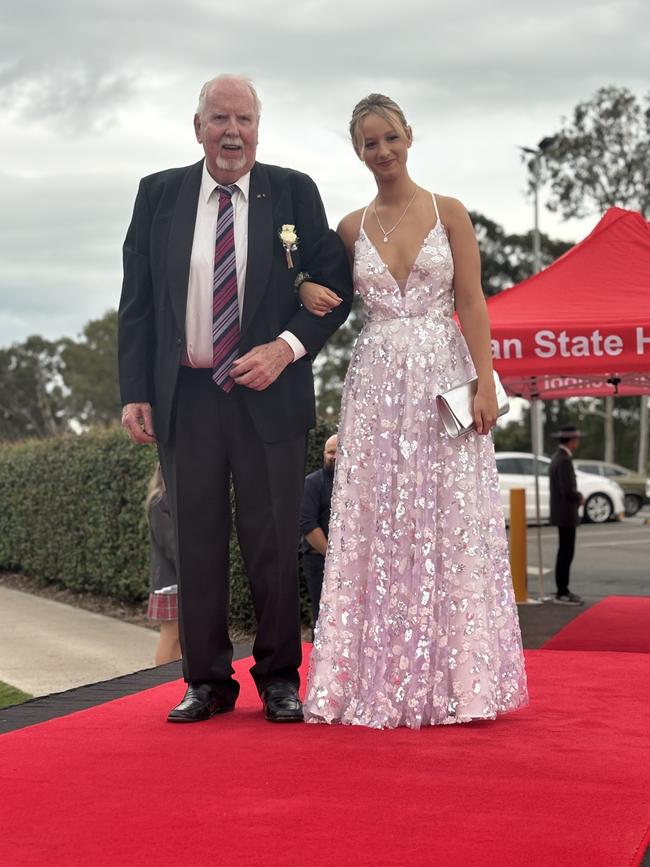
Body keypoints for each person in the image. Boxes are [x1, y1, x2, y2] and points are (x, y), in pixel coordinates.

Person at [118, 74, 352, 724]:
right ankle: (207, 682)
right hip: (186, 397)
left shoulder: (294, 191)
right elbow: (137, 301)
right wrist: (134, 389)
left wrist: (285, 346)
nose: (232, 132)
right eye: (219, 118)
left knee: (275, 539)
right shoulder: (158, 194)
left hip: (269, 395)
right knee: (194, 540)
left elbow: (337, 284)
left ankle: (279, 678)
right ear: (198, 128)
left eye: (244, 119)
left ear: (258, 128)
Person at [300, 94, 528, 729]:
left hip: (444, 375)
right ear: (358, 151)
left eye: (390, 137)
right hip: (375, 384)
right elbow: (316, 286)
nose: (383, 151)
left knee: (448, 518)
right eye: (369, 143)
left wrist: (485, 384)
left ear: (409, 136)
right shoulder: (348, 228)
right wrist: (301, 286)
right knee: (378, 520)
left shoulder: (448, 212)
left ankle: (461, 680)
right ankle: (376, 675)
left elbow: (473, 303)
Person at [299, 434, 337, 627]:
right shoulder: (312, 483)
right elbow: (307, 524)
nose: (334, 456)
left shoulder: (357, 485)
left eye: (338, 451)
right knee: (322, 616)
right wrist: (333, 557)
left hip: (348, 565)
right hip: (319, 562)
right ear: (324, 454)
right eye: (330, 452)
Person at [145, 464, 182, 665]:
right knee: (171, 635)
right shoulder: (159, 502)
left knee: (179, 636)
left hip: (178, 579)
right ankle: (160, 681)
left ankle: (172, 680)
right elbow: (171, 546)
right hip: (170, 582)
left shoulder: (170, 501)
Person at [549, 425, 585, 606]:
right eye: (576, 439)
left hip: (560, 513)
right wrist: (579, 497)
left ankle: (562, 590)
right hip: (566, 514)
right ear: (571, 441)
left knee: (563, 552)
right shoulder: (564, 461)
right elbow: (568, 490)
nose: (577, 442)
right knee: (566, 553)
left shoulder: (557, 457)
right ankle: (562, 591)